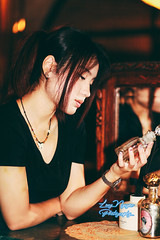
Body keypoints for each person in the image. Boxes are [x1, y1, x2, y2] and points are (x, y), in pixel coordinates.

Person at [0, 26, 153, 231]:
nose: (88, 92)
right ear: (49, 67)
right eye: (81, 77)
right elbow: (17, 218)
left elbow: (72, 208)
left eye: (91, 82)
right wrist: (58, 203)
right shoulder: (8, 123)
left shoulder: (72, 126)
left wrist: (116, 172)